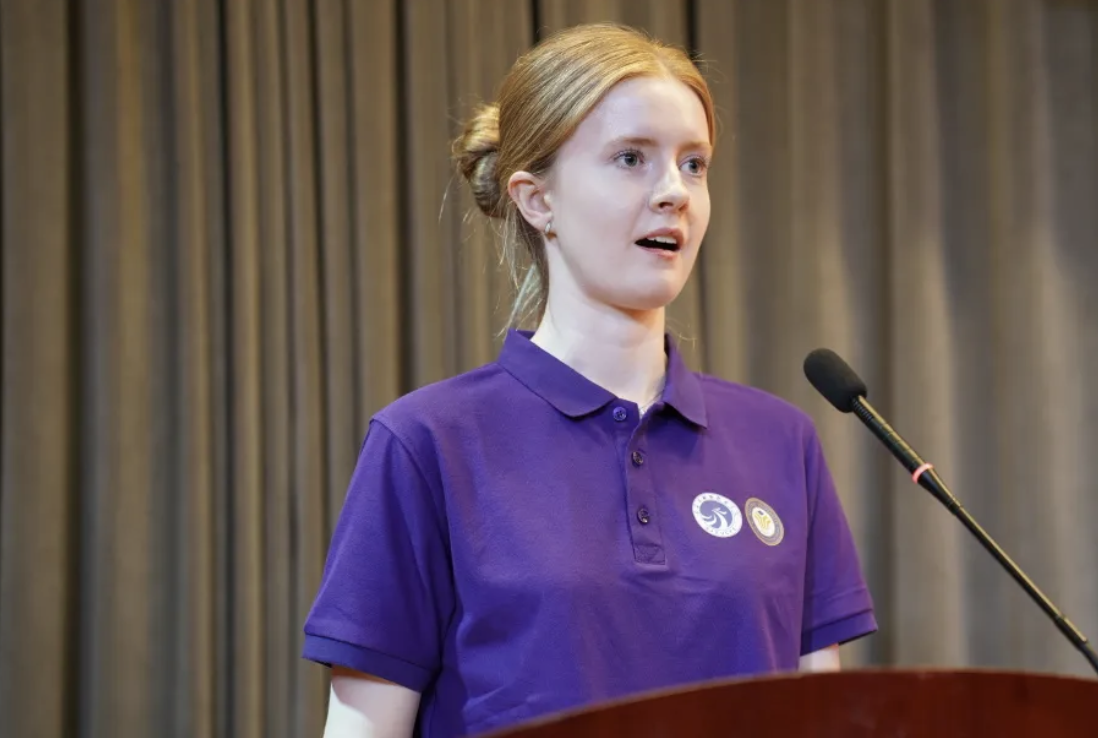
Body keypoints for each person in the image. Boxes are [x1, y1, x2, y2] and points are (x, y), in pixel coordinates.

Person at [302, 21, 877, 738]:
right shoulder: (425, 444)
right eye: (631, 158)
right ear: (536, 199)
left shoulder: (781, 441)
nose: (674, 192)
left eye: (694, 164)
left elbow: (822, 714)